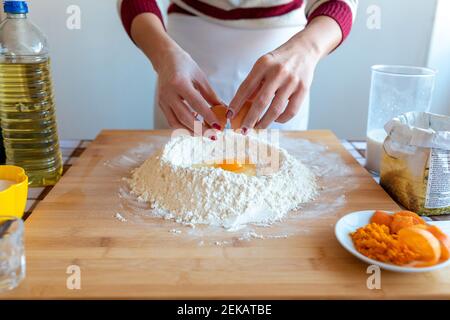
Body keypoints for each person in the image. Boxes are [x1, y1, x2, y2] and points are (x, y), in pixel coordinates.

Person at [120, 0, 358, 133]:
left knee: (275, 172)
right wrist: (163, 56)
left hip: (284, 53)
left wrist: (307, 50)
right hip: (183, 51)